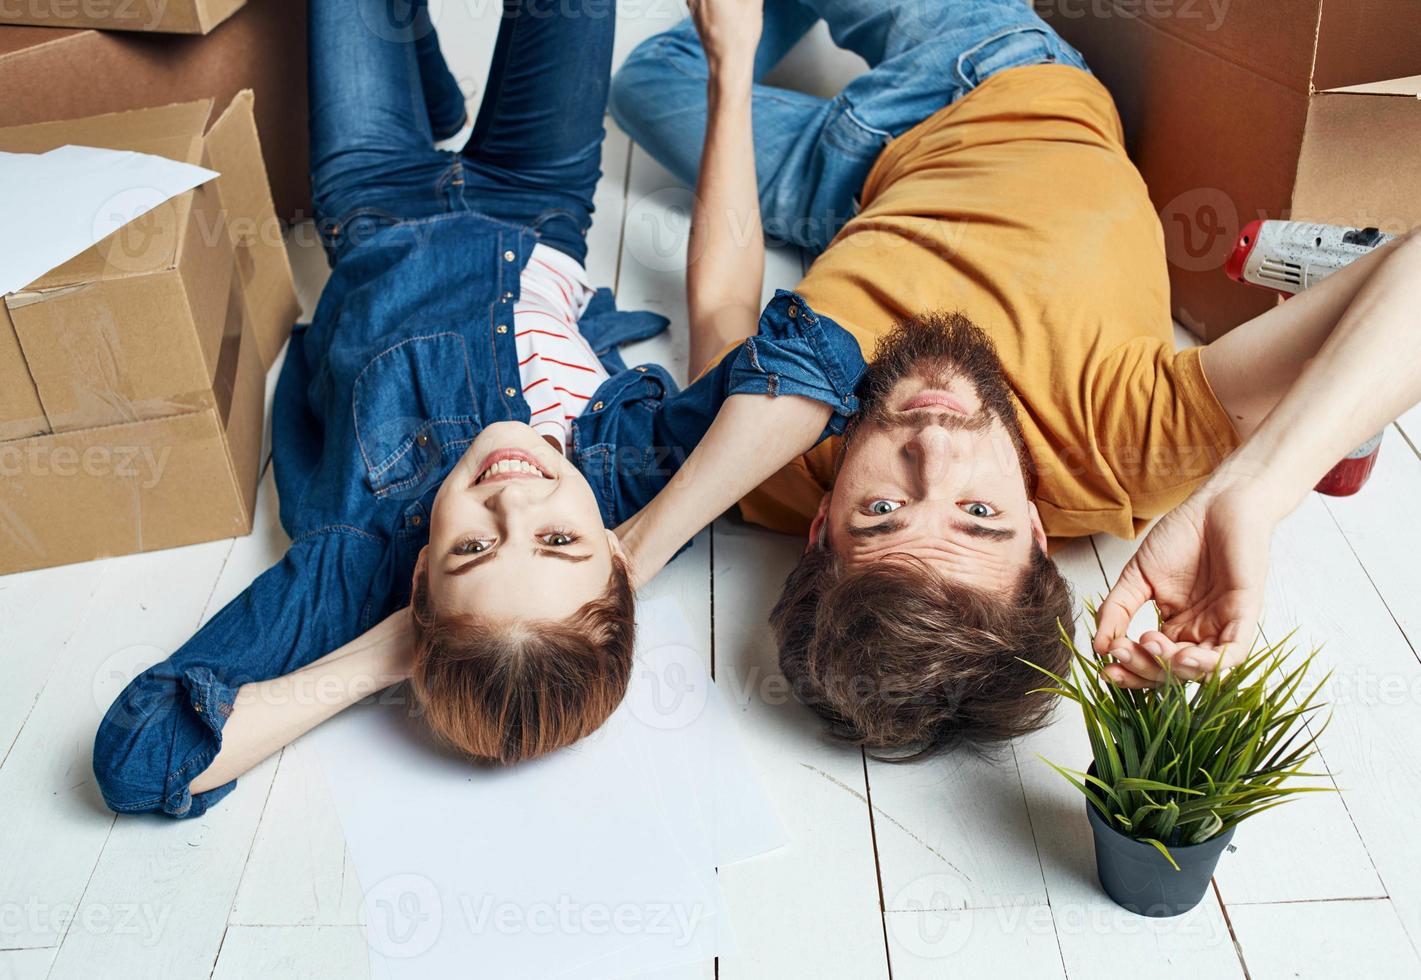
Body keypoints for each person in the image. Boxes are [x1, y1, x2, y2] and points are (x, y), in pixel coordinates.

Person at [91, 0, 866, 819]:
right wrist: (640, 545)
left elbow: (140, 760)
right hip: (539, 196)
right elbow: (817, 356)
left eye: (471, 549)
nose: (513, 498)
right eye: (559, 541)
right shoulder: (627, 482)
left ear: (421, 580)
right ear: (607, 554)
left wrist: (392, 653)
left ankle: (412, 58)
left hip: (373, 198)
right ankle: (423, 64)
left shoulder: (353, 569)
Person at [610, 0, 1421, 754]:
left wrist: (732, 57)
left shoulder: (767, 462)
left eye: (883, 510)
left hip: (844, 187)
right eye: (977, 514)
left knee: (641, 83)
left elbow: (719, 305)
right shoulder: (1121, 445)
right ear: (1038, 532)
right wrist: (1255, 491)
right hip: (993, 77)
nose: (931, 445)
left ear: (820, 526)